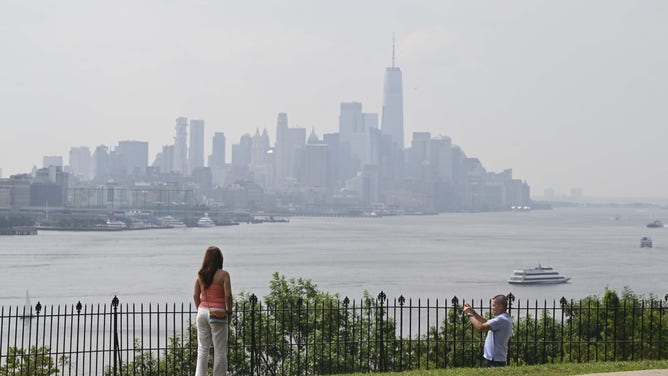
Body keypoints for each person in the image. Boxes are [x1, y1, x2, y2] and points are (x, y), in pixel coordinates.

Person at [193, 246, 233, 376]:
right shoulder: (224, 275)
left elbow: (195, 295)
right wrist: (230, 312)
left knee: (202, 349)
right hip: (218, 314)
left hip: (202, 312)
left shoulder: (200, 275)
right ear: (219, 259)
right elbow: (228, 296)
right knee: (219, 350)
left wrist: (201, 309)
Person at [463, 294, 512, 367]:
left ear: (501, 306)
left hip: (495, 360)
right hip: (496, 359)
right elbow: (485, 321)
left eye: (494, 305)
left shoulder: (501, 319)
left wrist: (469, 314)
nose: (492, 308)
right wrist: (473, 312)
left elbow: (480, 327)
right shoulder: (504, 318)